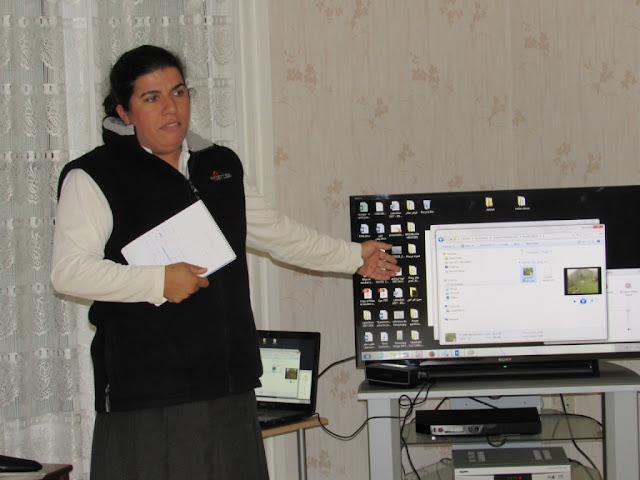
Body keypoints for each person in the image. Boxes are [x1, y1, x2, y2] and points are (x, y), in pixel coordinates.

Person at [50, 45, 399, 480]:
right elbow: (68, 272)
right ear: (124, 112)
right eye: (152, 97)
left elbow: (276, 233)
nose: (171, 108)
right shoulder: (94, 176)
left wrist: (352, 256)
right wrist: (157, 281)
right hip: (149, 394)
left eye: (179, 92)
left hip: (230, 383)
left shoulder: (219, 165)